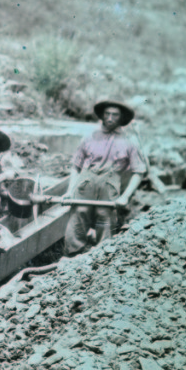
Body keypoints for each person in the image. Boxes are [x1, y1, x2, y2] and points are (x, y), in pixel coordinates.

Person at [62, 98, 146, 256]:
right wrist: (69, 191)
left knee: (105, 220)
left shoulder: (130, 142)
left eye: (115, 115)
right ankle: (71, 257)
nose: (110, 118)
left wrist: (125, 196)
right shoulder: (89, 137)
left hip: (109, 187)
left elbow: (139, 172)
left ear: (121, 118)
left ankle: (101, 259)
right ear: (101, 115)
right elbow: (75, 166)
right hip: (85, 184)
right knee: (78, 216)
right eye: (107, 114)